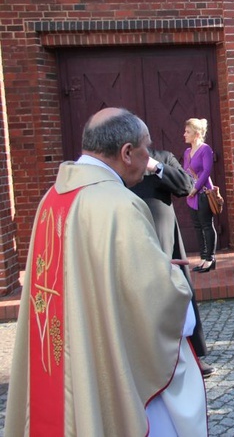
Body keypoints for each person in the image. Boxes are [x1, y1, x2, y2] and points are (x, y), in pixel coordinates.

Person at [4, 108, 207, 437]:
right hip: (109, 360)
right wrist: (168, 280)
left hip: (60, 353)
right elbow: (159, 303)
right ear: (127, 153)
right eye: (146, 147)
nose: (148, 155)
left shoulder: (52, 199)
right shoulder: (118, 204)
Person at [131, 147, 215, 378]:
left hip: (164, 240)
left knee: (179, 298)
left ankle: (191, 356)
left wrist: (154, 166)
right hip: (131, 241)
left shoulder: (161, 158)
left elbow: (187, 185)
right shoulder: (117, 164)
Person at [183, 117, 217, 273]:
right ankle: (203, 258)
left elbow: (206, 171)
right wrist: (187, 187)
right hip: (192, 195)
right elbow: (185, 171)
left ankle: (210, 259)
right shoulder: (187, 151)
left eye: (188, 132)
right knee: (197, 227)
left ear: (196, 134)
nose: (184, 134)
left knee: (206, 226)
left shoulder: (205, 149)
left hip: (203, 193)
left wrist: (195, 188)